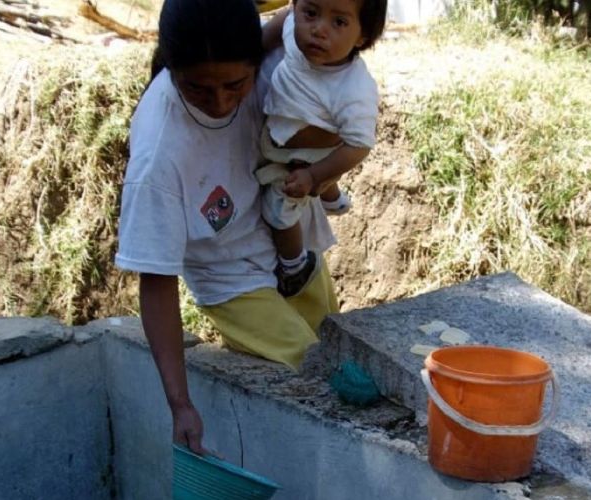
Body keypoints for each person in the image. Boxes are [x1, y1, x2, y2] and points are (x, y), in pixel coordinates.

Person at [114, 0, 339, 455]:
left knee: (339, 352)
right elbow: (156, 284)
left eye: (236, 85)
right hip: (231, 278)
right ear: (173, 70)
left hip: (291, 240)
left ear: (256, 62)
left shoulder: (267, 52)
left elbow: (305, 19)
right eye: (197, 89)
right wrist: (180, 404)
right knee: (317, 376)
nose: (220, 102)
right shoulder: (159, 157)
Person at [256, 0, 387, 297]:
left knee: (279, 208)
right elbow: (285, 19)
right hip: (284, 135)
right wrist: (256, 48)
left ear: (362, 37)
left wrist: (314, 176)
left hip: (305, 157)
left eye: (339, 23)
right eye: (311, 13)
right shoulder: (294, 29)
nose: (318, 30)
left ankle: (294, 265)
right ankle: (332, 198)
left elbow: (358, 145)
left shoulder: (354, 89)